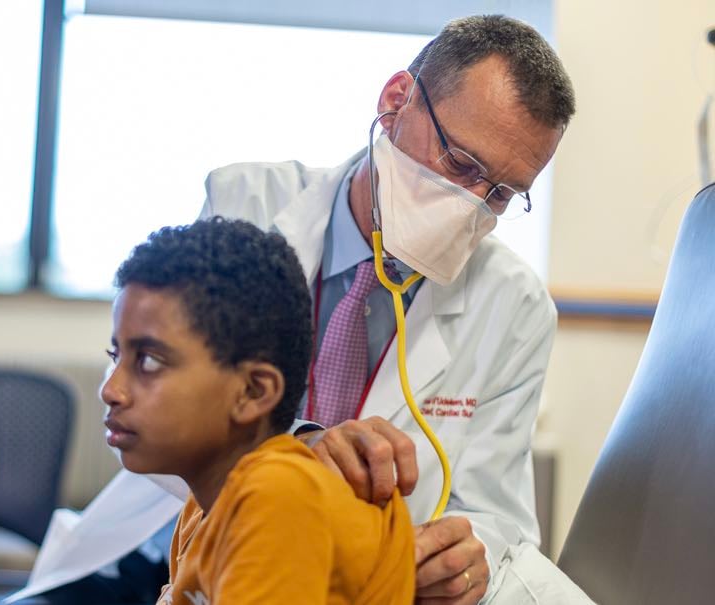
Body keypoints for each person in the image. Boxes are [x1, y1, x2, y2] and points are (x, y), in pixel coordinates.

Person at [38, 14, 591, 605]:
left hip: (358, 581)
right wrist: (293, 451)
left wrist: (464, 556)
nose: (471, 204)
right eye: (460, 163)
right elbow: (160, 394)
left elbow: (496, 512)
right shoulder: (246, 203)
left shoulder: (517, 306)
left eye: (502, 194)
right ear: (396, 100)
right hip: (185, 539)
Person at [103, 217, 415, 604]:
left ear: (253, 391)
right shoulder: (204, 507)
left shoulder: (280, 496)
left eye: (148, 361)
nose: (110, 390)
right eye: (115, 356)